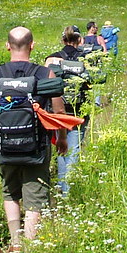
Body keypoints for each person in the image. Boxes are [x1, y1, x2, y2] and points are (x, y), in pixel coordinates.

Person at [0, 26, 68, 253]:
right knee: (35, 193)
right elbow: (58, 111)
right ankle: (29, 246)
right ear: (32, 45)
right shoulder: (44, 74)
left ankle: (15, 242)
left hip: (4, 145)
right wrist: (61, 138)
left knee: (10, 191)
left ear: (8, 45)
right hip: (36, 145)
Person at [45, 26, 92, 195]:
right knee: (74, 150)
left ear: (62, 40)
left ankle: (62, 187)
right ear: (80, 40)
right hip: (79, 110)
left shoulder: (51, 59)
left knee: (60, 148)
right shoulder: (86, 59)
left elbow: (47, 86)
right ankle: (69, 192)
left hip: (57, 111)